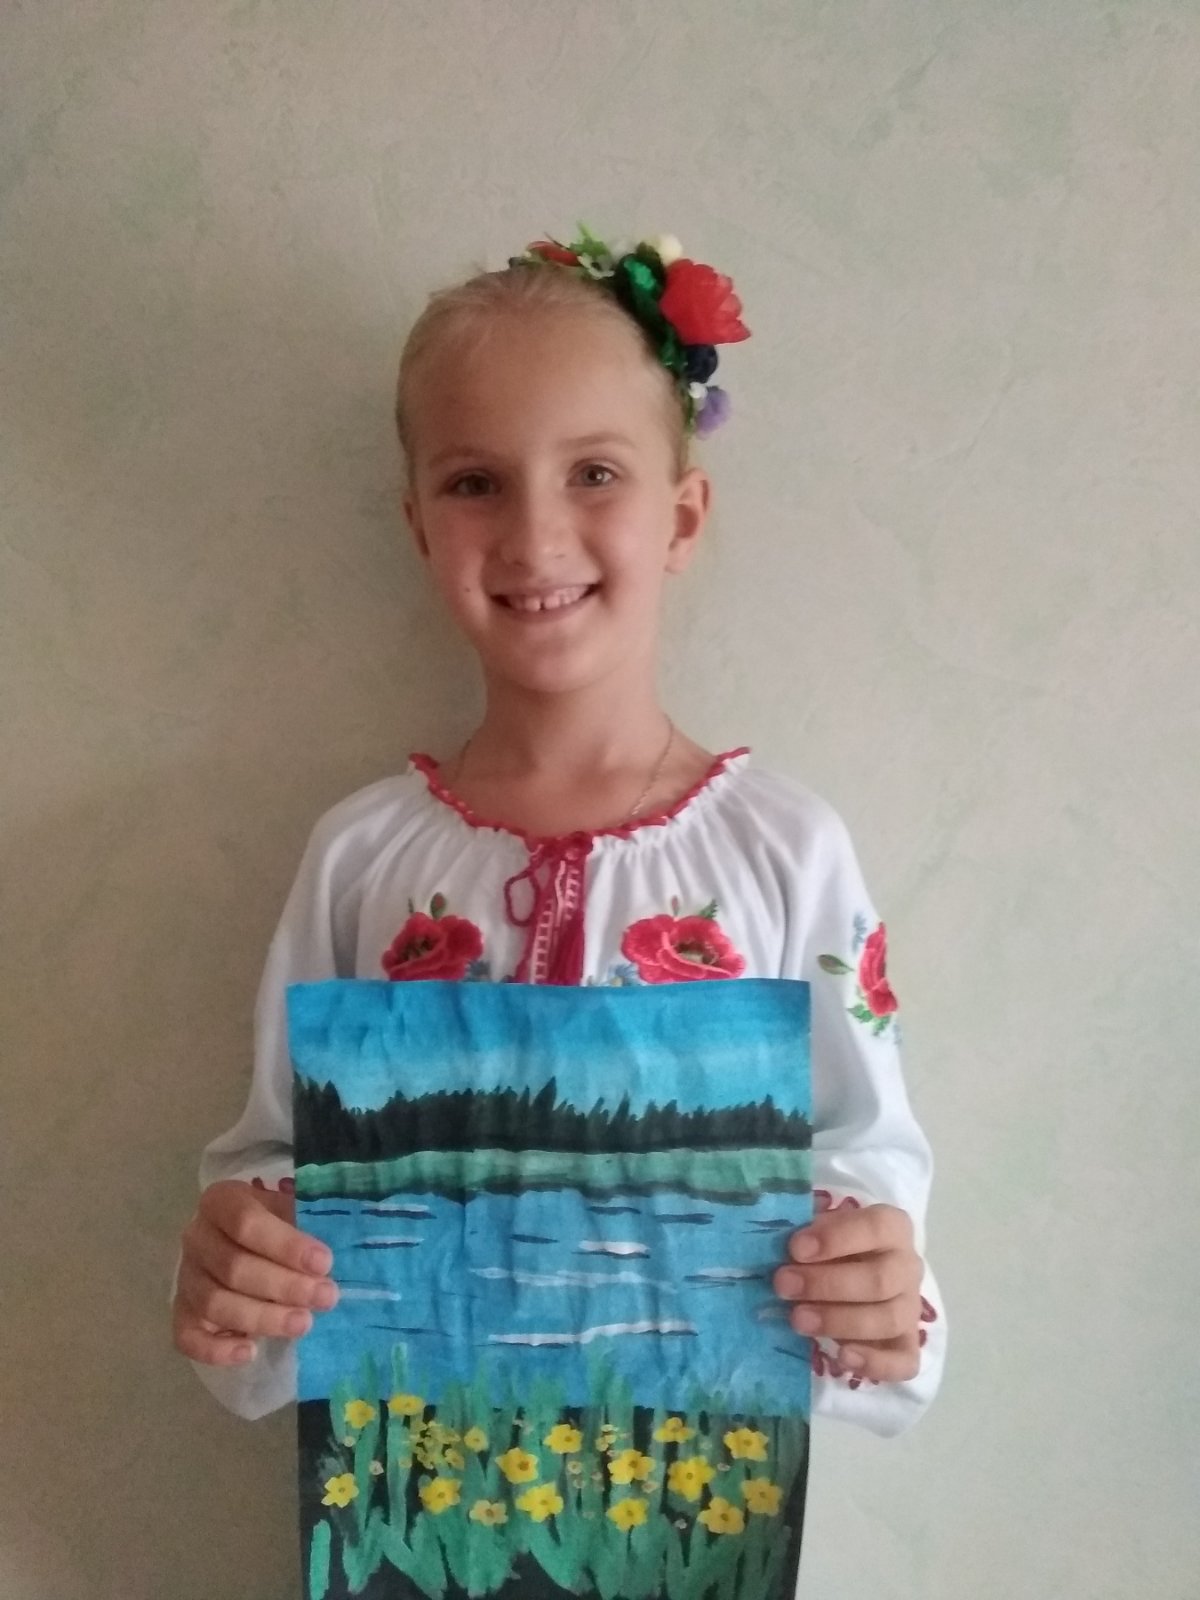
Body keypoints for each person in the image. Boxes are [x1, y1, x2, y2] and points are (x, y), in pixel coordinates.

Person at [172, 226, 945, 1439]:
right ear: (419, 525)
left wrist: (883, 1296)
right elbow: (277, 1163)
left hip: (691, 1496)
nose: (535, 537)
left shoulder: (785, 851)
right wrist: (243, 1265)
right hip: (415, 1491)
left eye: (594, 472)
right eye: (476, 482)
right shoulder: (362, 859)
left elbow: (869, 1154)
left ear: (682, 518)